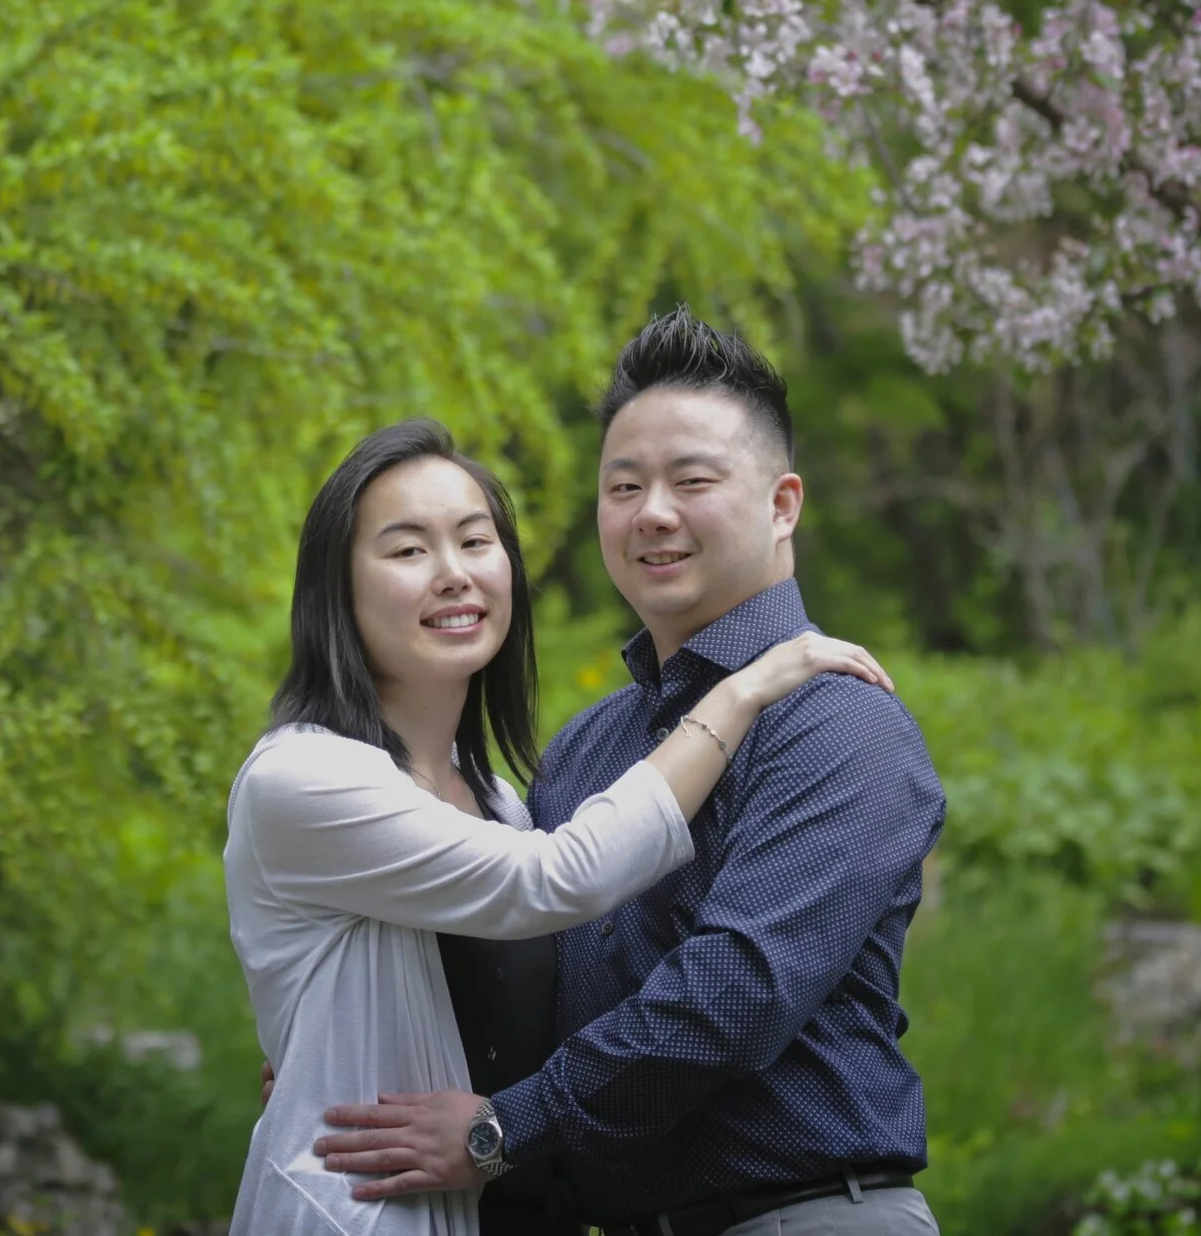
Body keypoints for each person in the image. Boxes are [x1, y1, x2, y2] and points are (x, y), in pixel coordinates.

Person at [310, 311, 949, 1236]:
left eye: (692, 480)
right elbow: (530, 982)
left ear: (781, 505)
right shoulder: (588, 749)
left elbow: (732, 993)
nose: (653, 511)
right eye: (624, 485)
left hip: (801, 1215)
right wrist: (351, 1059)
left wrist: (499, 1129)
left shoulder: (837, 720)